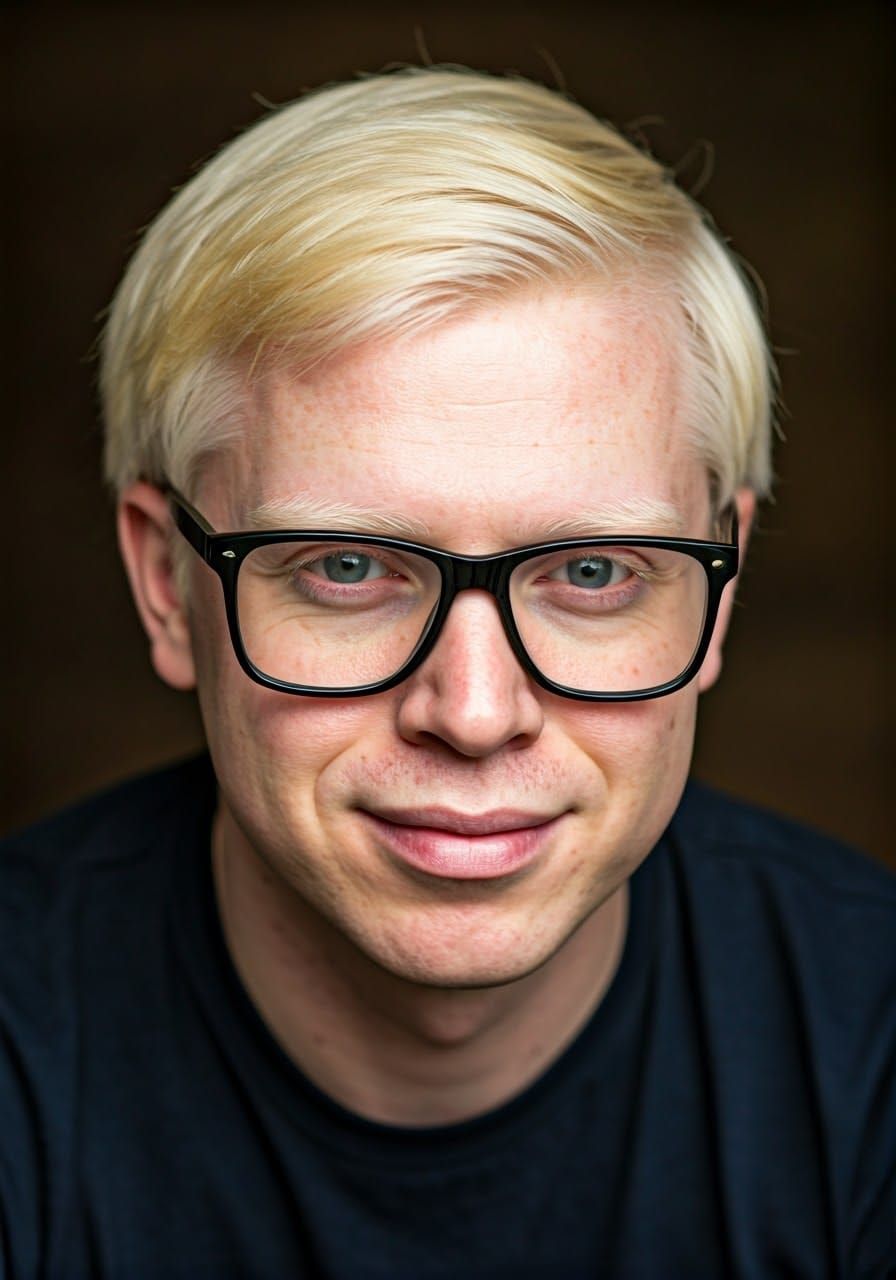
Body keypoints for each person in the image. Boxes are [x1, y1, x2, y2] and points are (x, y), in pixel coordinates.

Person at [1, 65, 893, 1280]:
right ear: (168, 584)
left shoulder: (870, 1036)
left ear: (719, 581)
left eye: (590, 573)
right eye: (349, 565)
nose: (473, 712)